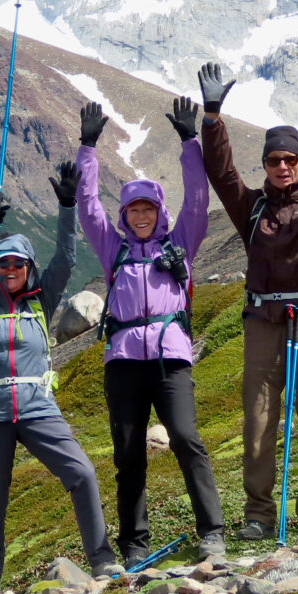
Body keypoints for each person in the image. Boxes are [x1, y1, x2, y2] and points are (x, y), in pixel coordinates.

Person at [0, 167, 122, 594]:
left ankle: (103, 561)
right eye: (1, 263)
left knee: (81, 473)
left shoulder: (43, 300)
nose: (9, 269)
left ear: (28, 268)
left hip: (39, 408)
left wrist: (66, 207)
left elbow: (66, 258)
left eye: (17, 264)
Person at [200, 56, 298, 538]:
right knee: (260, 419)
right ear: (265, 165)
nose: (283, 166)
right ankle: (259, 515)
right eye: (274, 160)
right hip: (263, 320)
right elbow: (221, 173)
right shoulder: (250, 207)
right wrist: (212, 116)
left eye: (290, 159)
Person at [75, 96, 226, 565]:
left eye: (147, 210)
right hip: (123, 362)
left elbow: (199, 199)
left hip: (171, 359)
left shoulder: (181, 243)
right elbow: (86, 205)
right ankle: (134, 544)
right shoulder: (112, 249)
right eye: (132, 211)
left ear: (159, 212)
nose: (140, 217)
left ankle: (213, 533)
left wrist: (189, 141)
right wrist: (87, 147)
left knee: (185, 438)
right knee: (127, 456)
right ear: (124, 215)